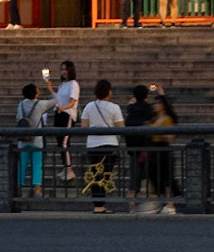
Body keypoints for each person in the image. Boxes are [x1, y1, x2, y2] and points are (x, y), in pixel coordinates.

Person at [79, 79, 125, 213]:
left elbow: (84, 126)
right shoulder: (114, 107)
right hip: (110, 144)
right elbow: (121, 127)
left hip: (93, 144)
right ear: (109, 92)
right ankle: (101, 203)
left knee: (95, 174)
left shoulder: (89, 106)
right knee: (105, 174)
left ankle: (97, 204)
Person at [43, 60, 80, 180]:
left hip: (67, 115)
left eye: (65, 69)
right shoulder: (62, 84)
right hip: (59, 113)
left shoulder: (74, 84)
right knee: (60, 142)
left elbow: (72, 102)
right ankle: (65, 167)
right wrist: (50, 89)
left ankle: (69, 169)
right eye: (62, 69)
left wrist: (62, 108)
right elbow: (58, 99)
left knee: (64, 142)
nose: (63, 72)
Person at [14, 83, 54, 192]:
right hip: (36, 139)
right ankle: (37, 187)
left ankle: (19, 186)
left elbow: (18, 118)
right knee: (37, 164)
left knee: (22, 164)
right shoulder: (40, 104)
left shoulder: (21, 104)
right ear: (35, 93)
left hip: (23, 139)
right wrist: (50, 89)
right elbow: (56, 101)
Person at [124, 84, 156, 210]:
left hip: (133, 148)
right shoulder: (149, 109)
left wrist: (132, 102)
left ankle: (132, 206)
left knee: (133, 179)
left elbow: (129, 106)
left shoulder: (131, 109)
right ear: (146, 96)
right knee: (151, 176)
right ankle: (152, 203)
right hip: (147, 147)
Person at [148, 88, 179, 214]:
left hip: (163, 148)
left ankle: (170, 204)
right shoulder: (154, 119)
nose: (155, 105)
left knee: (167, 177)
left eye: (158, 103)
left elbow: (170, 136)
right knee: (154, 176)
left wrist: (158, 131)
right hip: (154, 149)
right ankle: (156, 203)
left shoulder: (167, 119)